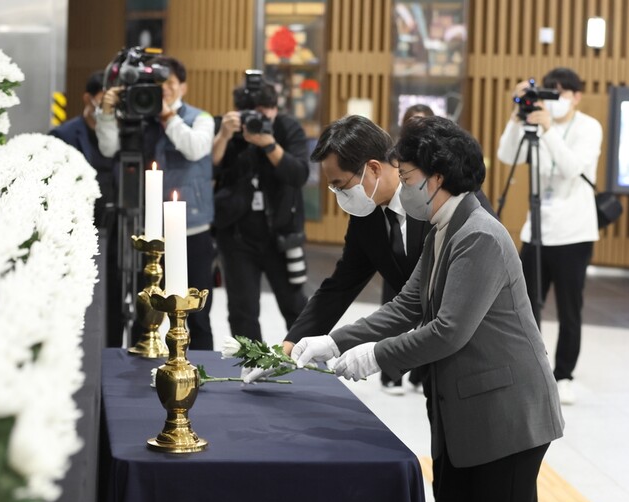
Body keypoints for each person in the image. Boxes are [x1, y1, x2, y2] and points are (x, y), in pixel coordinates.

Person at [293, 116, 564, 502]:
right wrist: (332, 341)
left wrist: (375, 356)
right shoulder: (443, 229)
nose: (401, 185)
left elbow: (449, 330)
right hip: (462, 408)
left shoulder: (478, 235)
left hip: (505, 412)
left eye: (406, 176)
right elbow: (406, 306)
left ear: (436, 179)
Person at [248, 115, 433, 395]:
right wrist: (286, 348)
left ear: (373, 168)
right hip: (430, 338)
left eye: (340, 185)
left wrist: (356, 348)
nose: (339, 195)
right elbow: (340, 286)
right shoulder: (367, 215)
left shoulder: (433, 196)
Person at [496, 67, 602, 405]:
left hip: (574, 233)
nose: (555, 100)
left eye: (562, 93)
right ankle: (529, 368)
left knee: (570, 309)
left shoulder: (588, 127)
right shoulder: (535, 122)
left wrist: (548, 128)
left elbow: (571, 168)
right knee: (524, 306)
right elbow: (507, 155)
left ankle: (564, 376)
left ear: (576, 96)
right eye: (549, 93)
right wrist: (518, 115)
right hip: (538, 230)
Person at [96, 55, 217, 350]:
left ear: (183, 87)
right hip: (150, 231)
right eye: (158, 85)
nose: (164, 90)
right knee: (147, 305)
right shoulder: (138, 116)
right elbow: (109, 147)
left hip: (192, 228)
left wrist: (167, 117)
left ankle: (202, 368)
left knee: (197, 312)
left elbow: (195, 148)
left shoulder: (200, 118)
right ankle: (144, 364)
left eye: (171, 84)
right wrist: (108, 112)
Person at [212, 77, 310, 341]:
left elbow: (299, 174)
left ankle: (307, 363)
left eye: (267, 110)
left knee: (295, 306)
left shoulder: (287, 128)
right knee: (242, 310)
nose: (260, 118)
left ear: (276, 109)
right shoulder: (227, 130)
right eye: (252, 113)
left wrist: (268, 144)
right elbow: (210, 168)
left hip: (281, 235)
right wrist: (223, 135)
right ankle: (252, 368)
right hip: (237, 235)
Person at [49, 70, 122, 347]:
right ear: (88, 98)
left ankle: (113, 348)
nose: (106, 109)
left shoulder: (121, 134)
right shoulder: (63, 135)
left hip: (116, 227)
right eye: (103, 101)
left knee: (115, 295)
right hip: (79, 229)